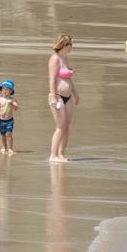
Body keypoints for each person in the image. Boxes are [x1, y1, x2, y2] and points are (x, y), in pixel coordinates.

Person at [47, 34, 80, 163]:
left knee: (67, 126)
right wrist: (54, 96)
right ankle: (53, 155)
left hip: (68, 96)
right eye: (70, 44)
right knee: (60, 126)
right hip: (57, 96)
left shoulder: (65, 58)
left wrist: (76, 93)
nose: (71, 47)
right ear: (64, 45)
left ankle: (61, 154)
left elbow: (68, 78)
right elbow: (52, 79)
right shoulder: (54, 59)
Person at [0, 80, 18, 155]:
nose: (5, 91)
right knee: (3, 135)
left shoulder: (12, 100)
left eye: (7, 89)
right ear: (1, 90)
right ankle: (4, 147)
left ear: (11, 91)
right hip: (1, 120)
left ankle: (10, 148)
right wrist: (0, 113)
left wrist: (11, 105)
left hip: (10, 120)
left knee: (9, 134)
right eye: (3, 89)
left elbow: (16, 108)